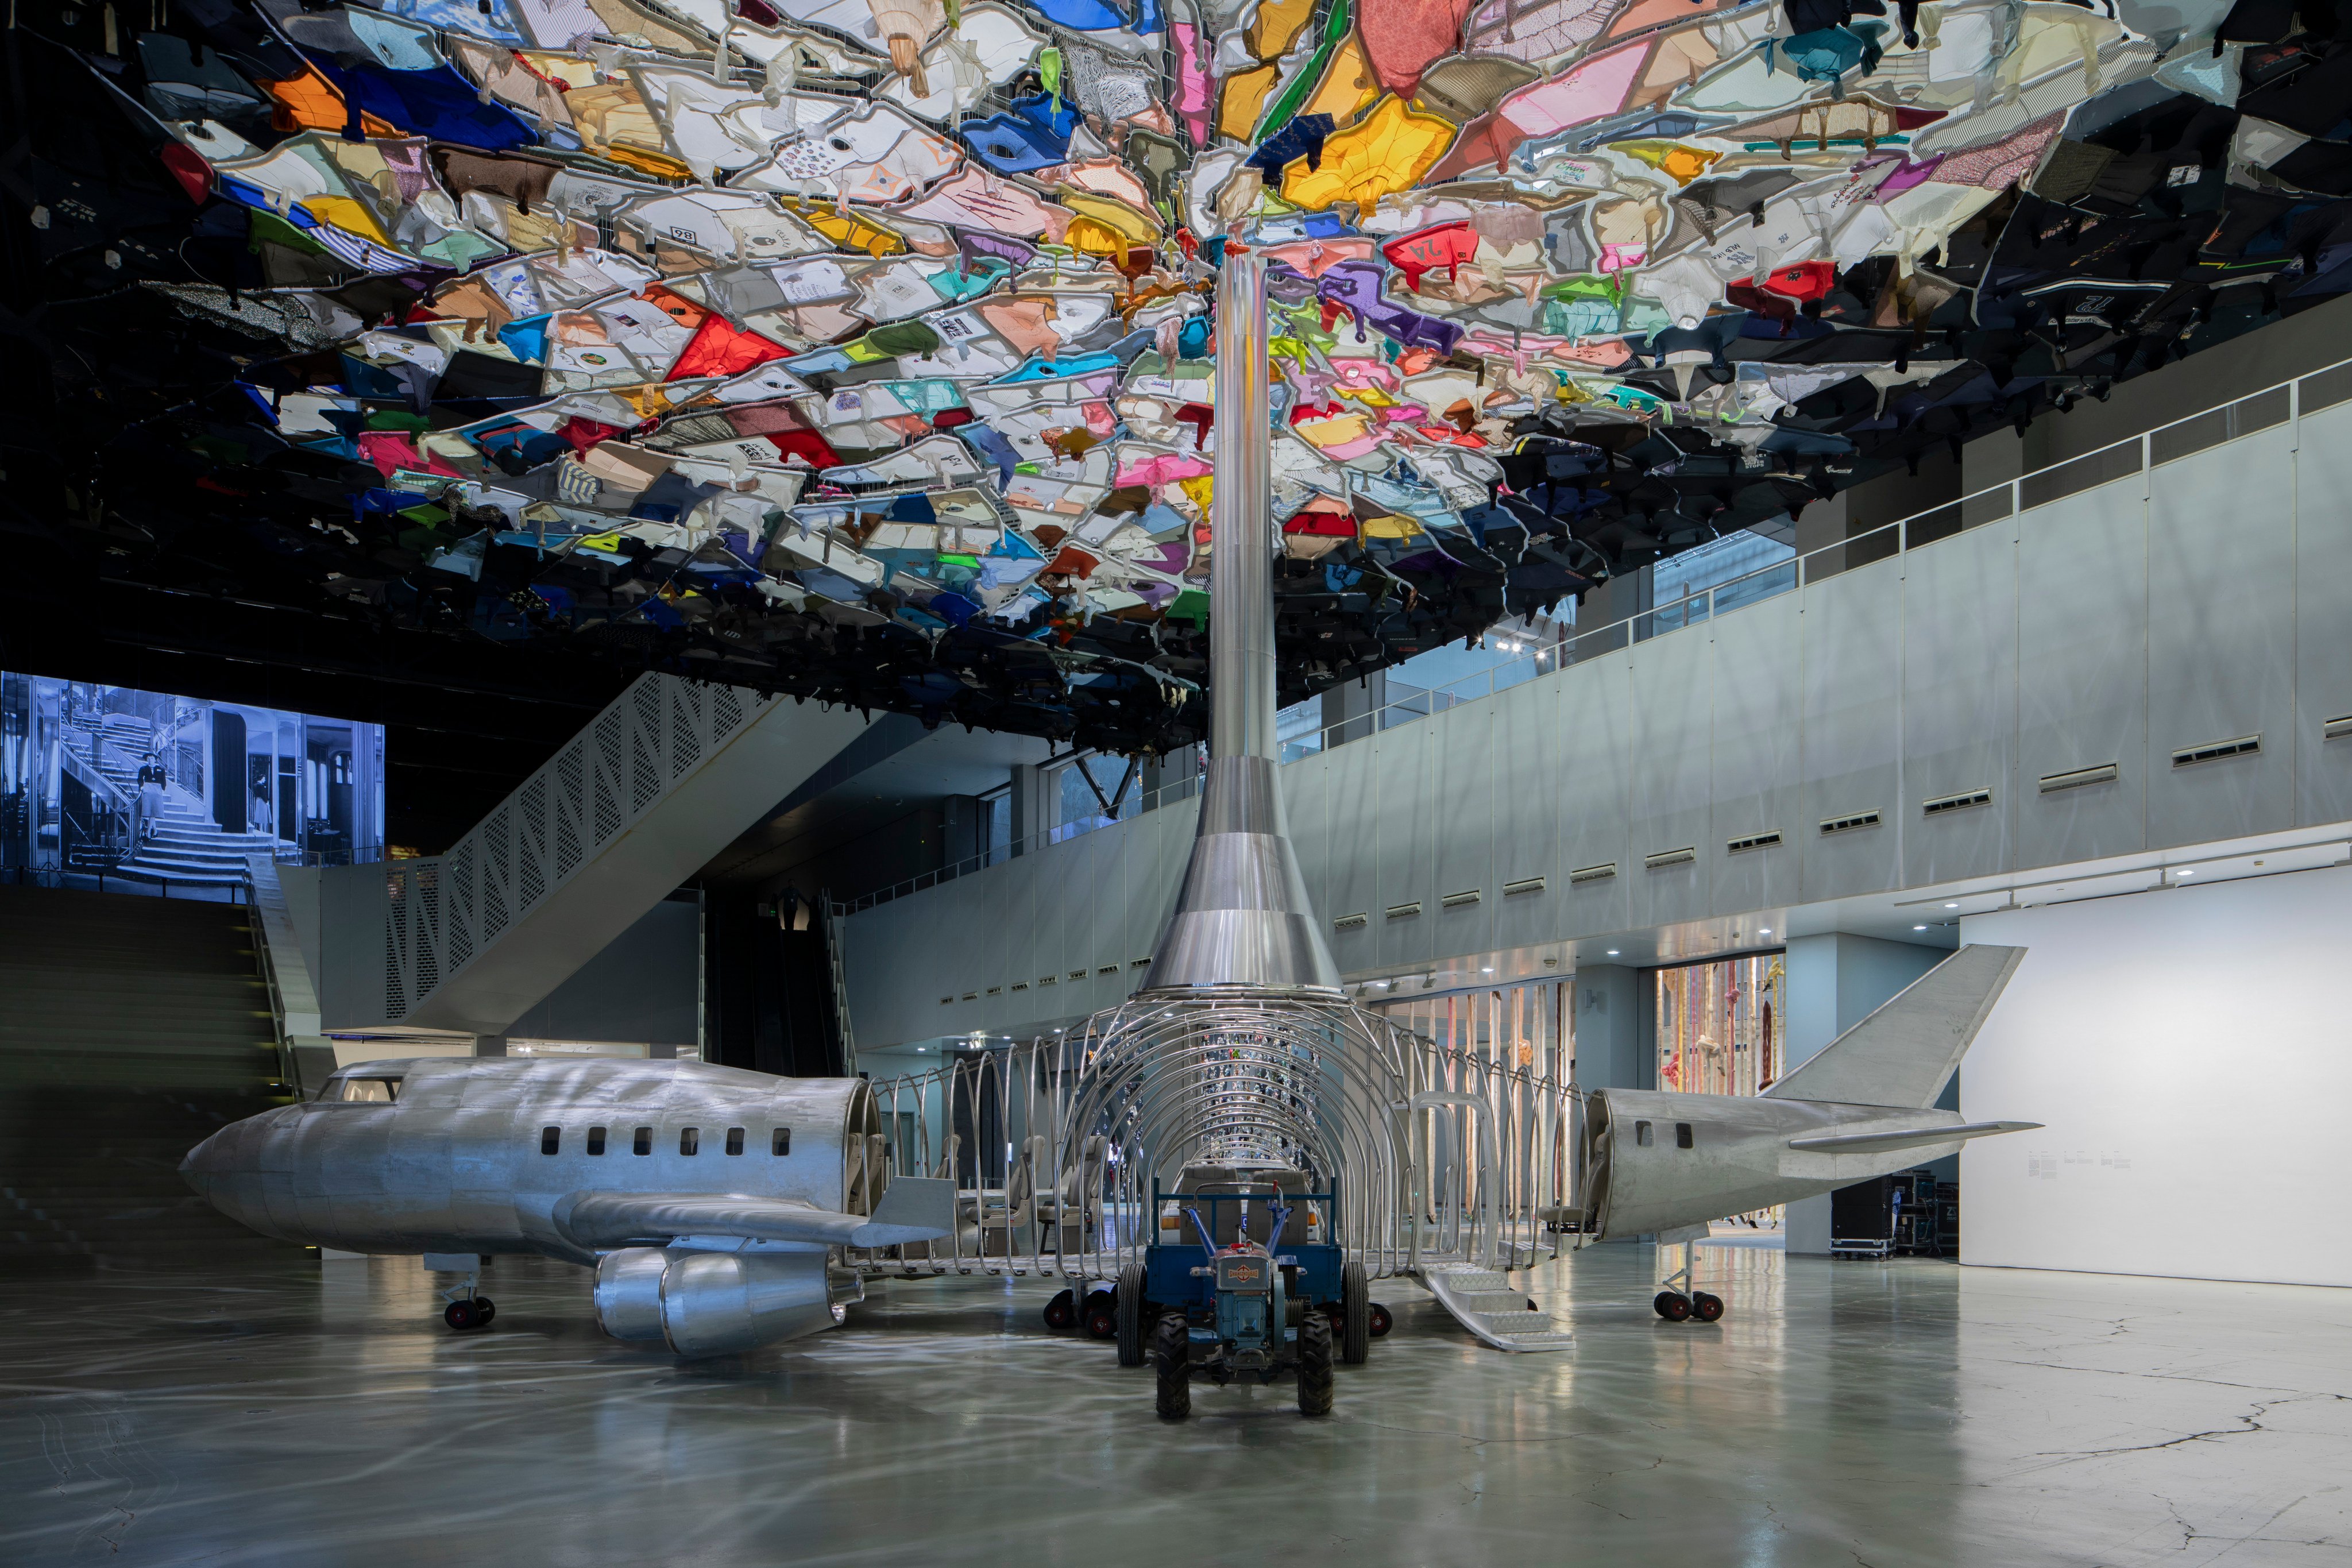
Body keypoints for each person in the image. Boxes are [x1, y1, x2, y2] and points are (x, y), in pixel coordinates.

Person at [136, 753, 166, 845]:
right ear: (147, 760)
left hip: (157, 792)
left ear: (155, 760)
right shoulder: (143, 769)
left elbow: (164, 781)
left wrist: (163, 790)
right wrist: (142, 787)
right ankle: (155, 831)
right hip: (148, 791)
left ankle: (149, 832)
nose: (150, 760)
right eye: (148, 758)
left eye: (152, 758)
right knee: (149, 811)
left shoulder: (161, 769)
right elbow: (140, 779)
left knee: (154, 811)